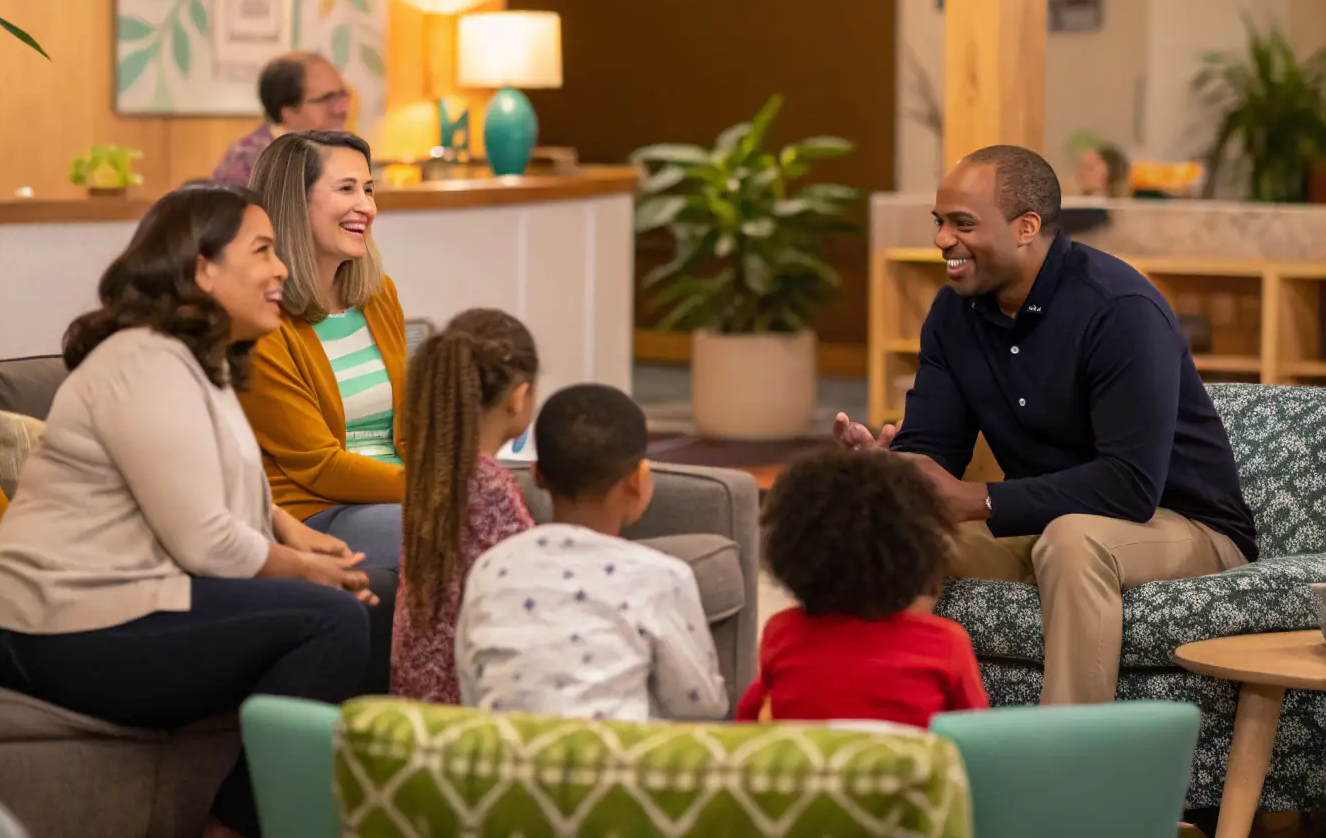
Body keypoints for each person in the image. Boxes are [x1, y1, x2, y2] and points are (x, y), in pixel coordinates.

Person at [0, 184, 375, 838]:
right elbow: (206, 542)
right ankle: (231, 829)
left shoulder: (202, 365)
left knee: (343, 615)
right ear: (202, 269)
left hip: (114, 606)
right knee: (330, 622)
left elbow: (231, 487)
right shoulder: (143, 361)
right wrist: (301, 570)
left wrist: (296, 536)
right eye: (263, 250)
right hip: (44, 626)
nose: (281, 270)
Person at [834, 145, 1256, 706]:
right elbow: (933, 451)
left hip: (1184, 526)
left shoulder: (1119, 308)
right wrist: (892, 473)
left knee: (1074, 540)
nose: (942, 240)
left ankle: (1066, 777)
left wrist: (977, 499)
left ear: (1026, 227)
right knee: (901, 529)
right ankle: (876, 740)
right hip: (1046, 521)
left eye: (963, 224)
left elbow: (1128, 486)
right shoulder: (953, 314)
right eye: (939, 223)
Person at [456, 384, 728, 722]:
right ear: (638, 480)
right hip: (612, 765)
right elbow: (700, 704)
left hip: (507, 763)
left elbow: (470, 687)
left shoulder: (489, 569)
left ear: (537, 476)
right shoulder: (661, 577)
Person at [238, 131, 407, 573]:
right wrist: (432, 487)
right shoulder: (261, 320)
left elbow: (408, 427)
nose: (367, 207)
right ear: (294, 202)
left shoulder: (379, 295)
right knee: (447, 535)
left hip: (398, 491)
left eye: (369, 190)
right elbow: (320, 466)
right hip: (316, 510)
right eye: (347, 189)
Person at [736, 449, 987, 727]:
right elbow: (975, 740)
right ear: (919, 554)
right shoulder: (946, 644)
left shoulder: (781, 634)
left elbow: (746, 723)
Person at [390, 309, 540, 703]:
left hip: (419, 700)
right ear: (520, 397)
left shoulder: (434, 476)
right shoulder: (491, 488)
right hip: (475, 704)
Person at [210, 53, 350, 187]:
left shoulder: (344, 152)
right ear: (288, 113)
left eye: (342, 96)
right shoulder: (246, 161)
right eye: (326, 99)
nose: (341, 109)